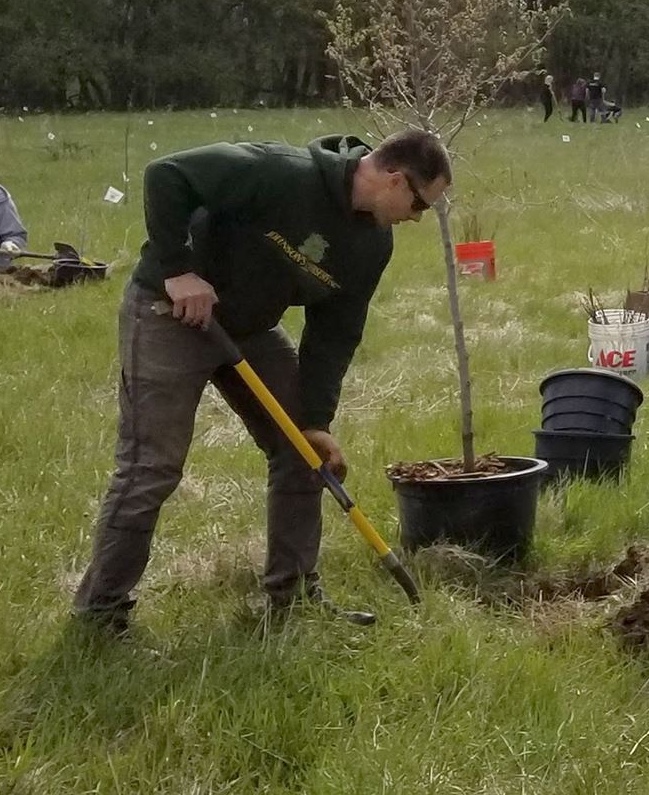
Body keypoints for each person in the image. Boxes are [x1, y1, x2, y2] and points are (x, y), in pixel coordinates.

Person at [73, 128, 452, 635]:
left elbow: (335, 334)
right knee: (152, 466)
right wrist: (178, 269)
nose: (416, 219)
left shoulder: (371, 245)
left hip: (246, 329)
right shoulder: (279, 172)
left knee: (303, 452)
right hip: (168, 312)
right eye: (421, 205)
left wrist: (315, 421)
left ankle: (292, 600)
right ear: (393, 179)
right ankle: (100, 613)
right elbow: (168, 174)